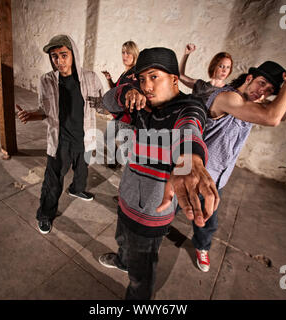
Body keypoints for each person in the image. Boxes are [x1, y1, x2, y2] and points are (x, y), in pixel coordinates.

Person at [98, 47, 220, 300]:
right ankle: (122, 259)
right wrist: (127, 90)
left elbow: (189, 128)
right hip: (128, 198)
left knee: (141, 274)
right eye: (142, 79)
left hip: (152, 212)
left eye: (154, 77)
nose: (147, 86)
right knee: (122, 239)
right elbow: (107, 102)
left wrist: (190, 159)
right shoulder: (139, 105)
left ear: (174, 79)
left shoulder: (188, 106)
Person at [190, 61, 286, 273]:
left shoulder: (251, 105)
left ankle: (201, 248)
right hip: (194, 171)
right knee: (169, 206)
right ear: (249, 78)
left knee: (207, 221)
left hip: (216, 176)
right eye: (261, 83)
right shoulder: (228, 97)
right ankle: (151, 235)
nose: (262, 92)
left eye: (268, 90)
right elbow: (271, 118)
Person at [16, 34, 104, 235]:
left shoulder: (90, 78)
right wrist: (32, 115)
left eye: (64, 55)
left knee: (82, 170)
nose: (59, 61)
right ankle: (45, 215)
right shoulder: (46, 80)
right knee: (53, 181)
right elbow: (43, 110)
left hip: (85, 137)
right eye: (55, 56)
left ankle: (76, 189)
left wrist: (116, 106)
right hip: (60, 141)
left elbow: (101, 106)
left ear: (73, 54)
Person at [101, 41, 139, 170]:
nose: (125, 55)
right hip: (118, 116)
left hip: (128, 119)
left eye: (128, 53)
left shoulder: (135, 74)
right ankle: (116, 161)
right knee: (107, 138)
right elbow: (115, 90)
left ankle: (130, 177)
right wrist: (109, 79)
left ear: (134, 54)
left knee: (126, 151)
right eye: (123, 52)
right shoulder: (125, 74)